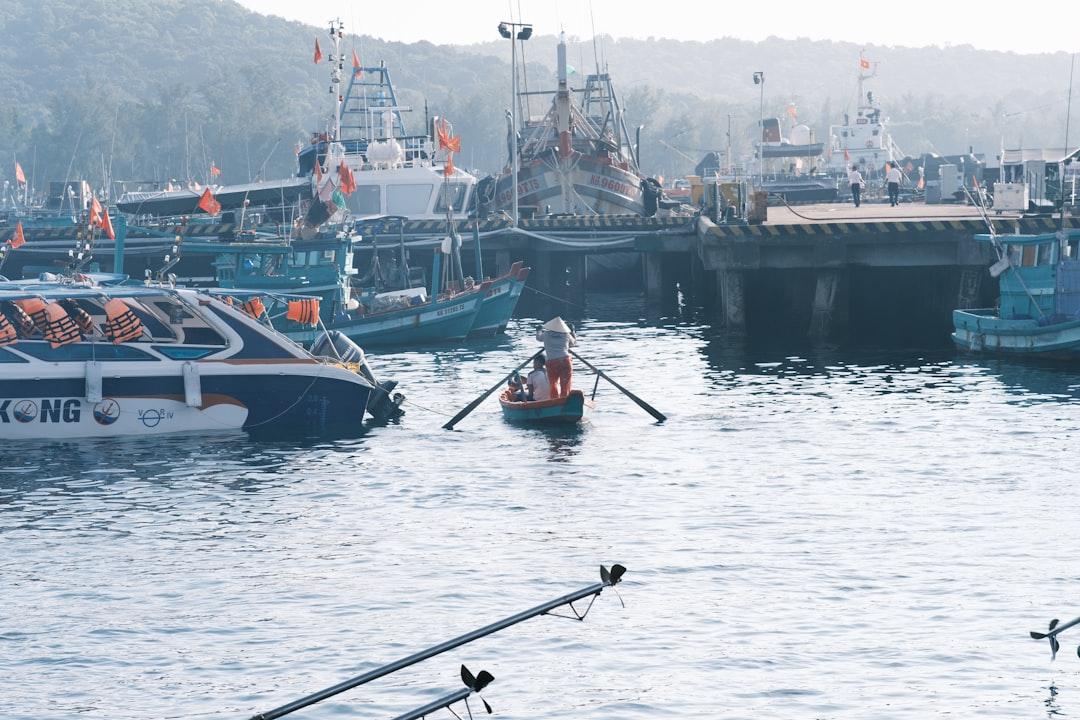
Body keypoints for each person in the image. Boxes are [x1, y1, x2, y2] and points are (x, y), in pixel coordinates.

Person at [536, 316, 576, 398]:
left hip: (551, 362)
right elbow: (573, 343)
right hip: (565, 361)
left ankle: (554, 400)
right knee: (565, 384)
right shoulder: (566, 334)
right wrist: (573, 332)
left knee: (553, 384)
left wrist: (539, 330)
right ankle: (565, 399)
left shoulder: (546, 334)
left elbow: (538, 338)